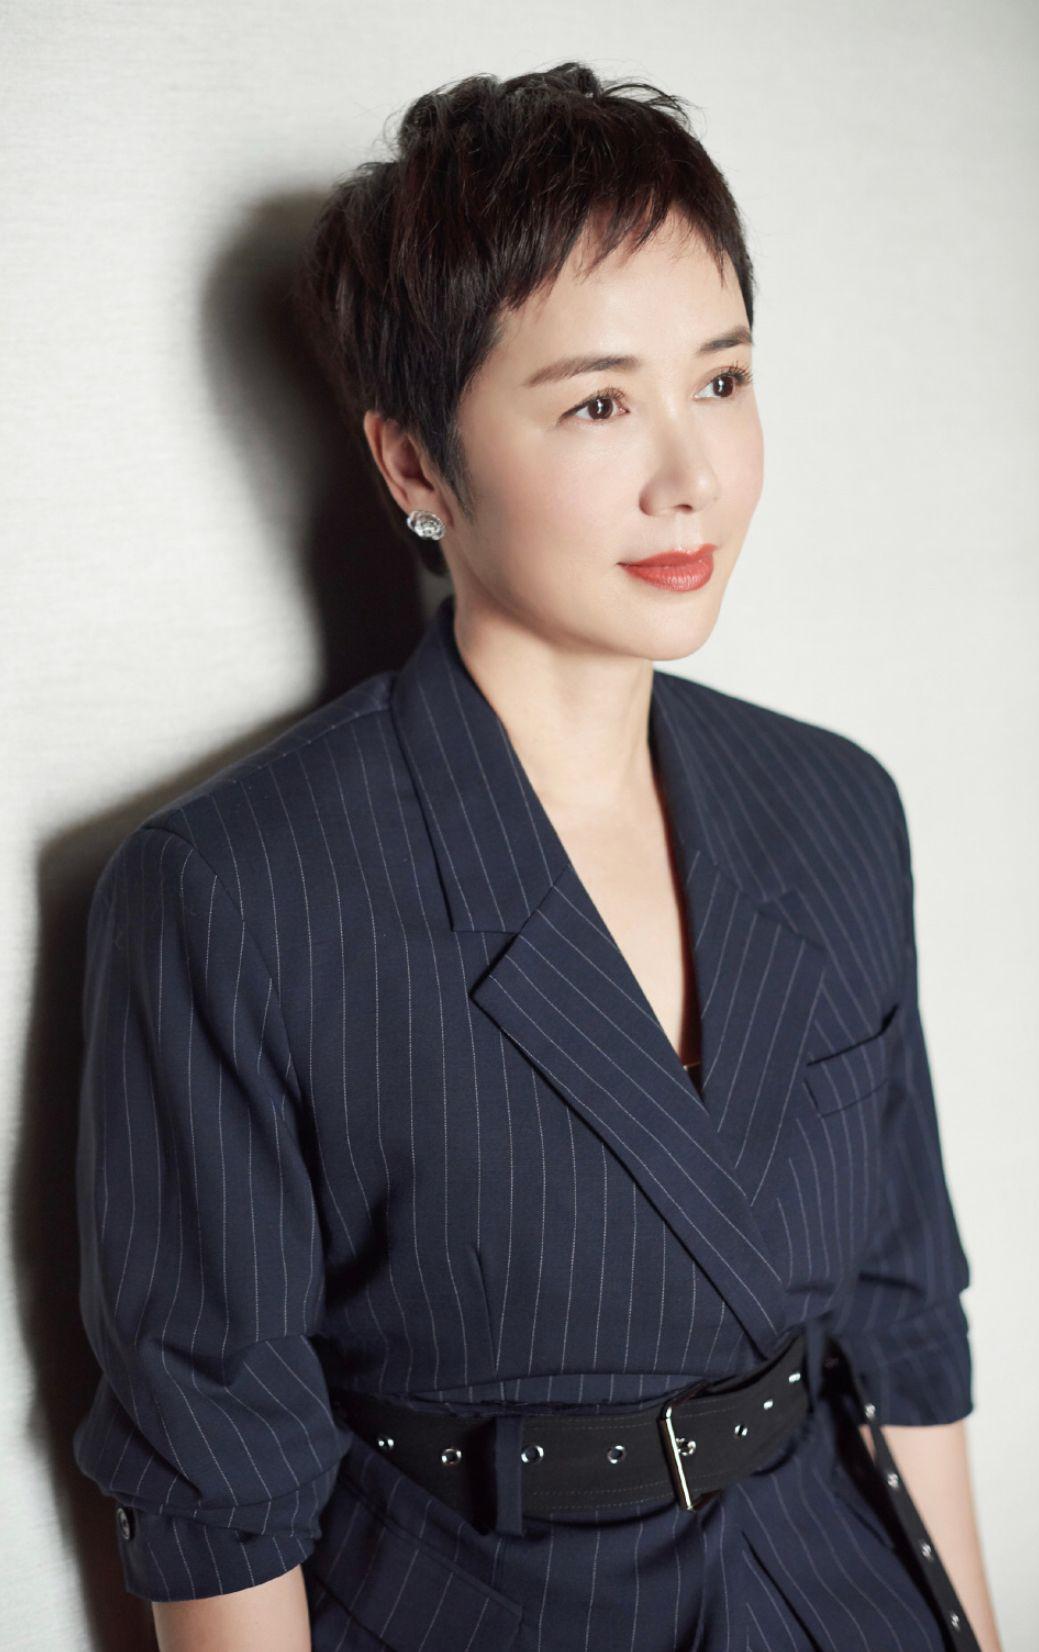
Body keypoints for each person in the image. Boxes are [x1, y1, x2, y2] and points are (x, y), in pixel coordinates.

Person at [72, 62, 1003, 1652]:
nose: (691, 476)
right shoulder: (237, 893)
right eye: (597, 404)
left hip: (837, 1593)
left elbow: (906, 1337)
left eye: (722, 379)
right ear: (413, 467)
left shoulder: (839, 807)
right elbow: (218, 1481)